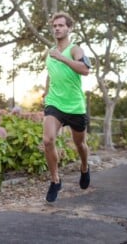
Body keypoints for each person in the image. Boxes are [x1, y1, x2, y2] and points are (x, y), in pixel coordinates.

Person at [42, 11, 91, 202]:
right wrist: (46, 94)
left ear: (69, 28)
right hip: (54, 103)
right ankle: (55, 180)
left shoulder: (75, 49)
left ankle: (85, 167)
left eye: (61, 25)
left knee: (80, 144)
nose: (57, 28)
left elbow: (85, 70)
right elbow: (51, 74)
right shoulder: (50, 53)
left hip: (75, 106)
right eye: (55, 26)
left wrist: (61, 57)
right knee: (48, 140)